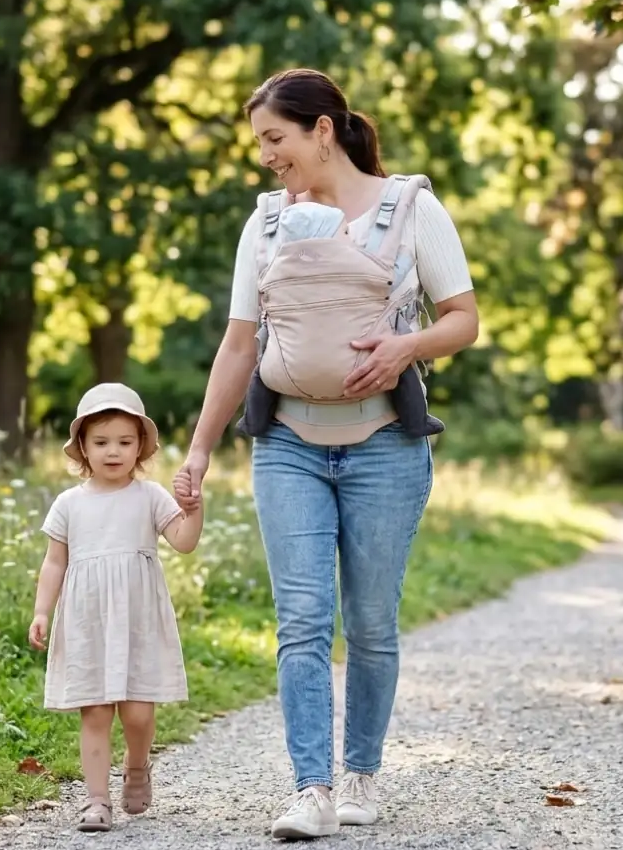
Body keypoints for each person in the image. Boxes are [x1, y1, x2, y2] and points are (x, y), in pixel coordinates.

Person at [173, 68, 478, 841]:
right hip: (286, 447)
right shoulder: (267, 224)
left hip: (384, 446)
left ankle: (361, 775)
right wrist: (200, 452)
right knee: (302, 621)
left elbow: (463, 319)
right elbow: (240, 344)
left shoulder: (412, 208)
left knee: (371, 624)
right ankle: (309, 788)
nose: (267, 156)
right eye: (259, 144)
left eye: (275, 138)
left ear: (322, 129)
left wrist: (405, 345)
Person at [29, 382, 205, 833]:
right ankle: (95, 800)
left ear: (140, 447)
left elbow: (183, 542)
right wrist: (42, 611)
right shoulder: (69, 504)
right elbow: (54, 563)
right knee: (95, 710)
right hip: (88, 619)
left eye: (125, 442)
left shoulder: (149, 497)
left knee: (139, 713)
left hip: (138, 619)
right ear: (82, 447)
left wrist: (193, 508)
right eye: (101, 442)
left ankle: (138, 765)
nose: (113, 451)